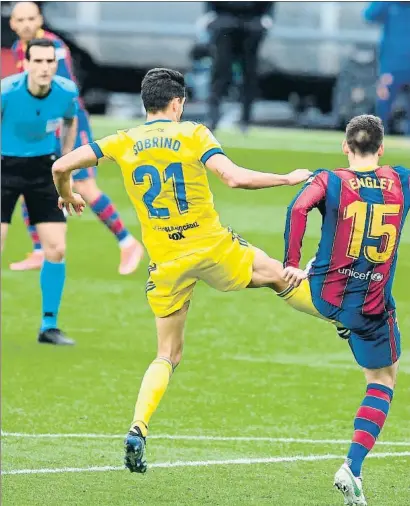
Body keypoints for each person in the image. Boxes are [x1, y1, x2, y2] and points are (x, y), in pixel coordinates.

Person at [51, 68, 311, 473]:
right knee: (280, 276)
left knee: (167, 354)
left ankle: (138, 427)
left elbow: (61, 166)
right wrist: (288, 178)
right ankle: (343, 318)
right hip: (211, 247)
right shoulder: (193, 133)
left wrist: (67, 195)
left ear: (145, 104)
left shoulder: (123, 140)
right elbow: (234, 178)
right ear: (178, 103)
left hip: (166, 262)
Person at [279, 115, 408, 505]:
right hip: (370, 305)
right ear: (382, 148)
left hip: (323, 294)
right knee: (383, 379)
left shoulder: (328, 179)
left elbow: (298, 209)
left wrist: (290, 260)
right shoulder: (400, 178)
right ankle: (352, 467)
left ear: (345, 147)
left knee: (264, 272)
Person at [9, 1, 144, 273]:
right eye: (20, 19)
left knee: (84, 188)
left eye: (31, 18)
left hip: (69, 122)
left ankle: (128, 242)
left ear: (40, 19)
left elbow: (63, 92)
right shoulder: (18, 49)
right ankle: (39, 249)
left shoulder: (53, 48)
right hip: (40, 124)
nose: (25, 24)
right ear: (12, 23)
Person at [1, 38, 84, 345]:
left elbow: (70, 121)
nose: (45, 67)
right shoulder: (7, 92)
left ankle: (49, 326)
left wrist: (65, 164)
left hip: (43, 170)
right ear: (26, 63)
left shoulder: (66, 91)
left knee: (56, 249)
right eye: (38, 61)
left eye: (50, 61)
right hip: (4, 168)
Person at [205, 1, 274, 131]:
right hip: (225, 22)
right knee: (221, 72)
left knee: (249, 73)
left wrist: (264, 16)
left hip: (251, 22)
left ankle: (245, 120)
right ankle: (213, 117)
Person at [363, 2, 410, 135]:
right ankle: (379, 139)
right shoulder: (390, 5)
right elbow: (369, 15)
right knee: (384, 104)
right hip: (391, 65)